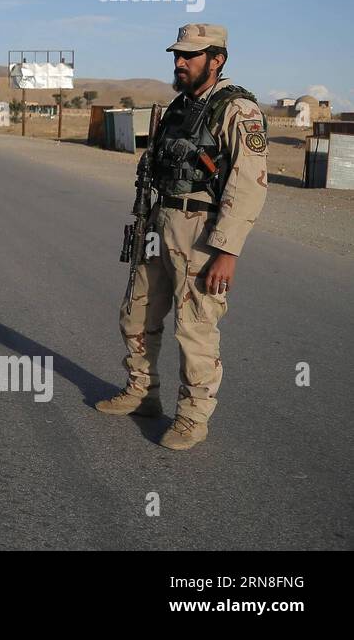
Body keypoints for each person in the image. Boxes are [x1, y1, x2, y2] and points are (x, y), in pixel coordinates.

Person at [95, 24, 268, 451]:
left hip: (203, 230)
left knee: (195, 328)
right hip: (160, 220)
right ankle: (142, 392)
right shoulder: (178, 107)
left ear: (217, 59)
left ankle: (192, 416)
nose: (180, 62)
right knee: (135, 314)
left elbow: (249, 184)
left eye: (190, 56)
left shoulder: (238, 110)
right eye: (177, 54)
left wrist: (227, 250)